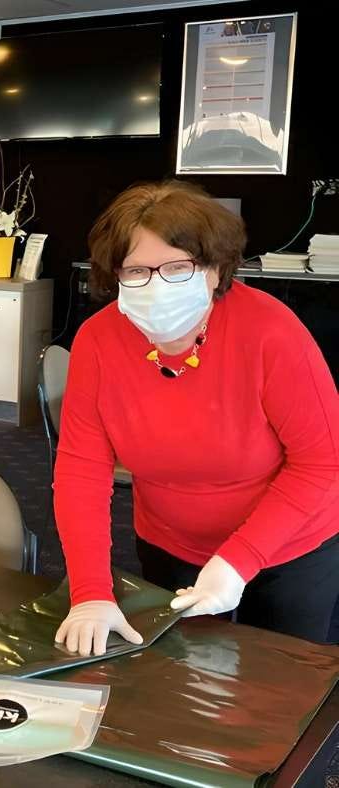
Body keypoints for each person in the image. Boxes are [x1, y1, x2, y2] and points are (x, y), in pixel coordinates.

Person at [53, 180, 339, 656]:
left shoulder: (272, 333)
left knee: (277, 690)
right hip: (171, 545)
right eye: (137, 271)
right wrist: (89, 592)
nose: (157, 284)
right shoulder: (97, 342)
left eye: (178, 267)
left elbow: (324, 464)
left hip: (291, 548)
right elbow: (81, 469)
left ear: (214, 269)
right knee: (183, 685)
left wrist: (240, 559)